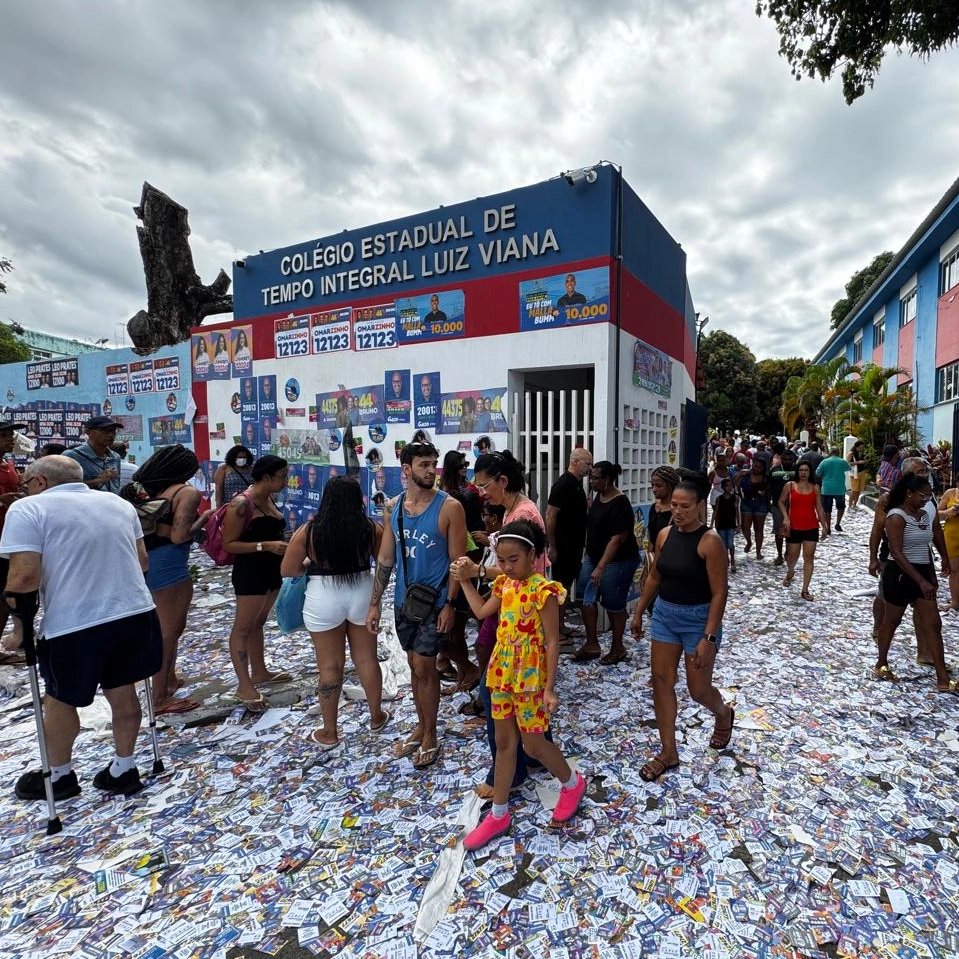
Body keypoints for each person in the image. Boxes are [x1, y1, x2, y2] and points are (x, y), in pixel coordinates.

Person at [2, 455, 162, 799]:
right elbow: (142, 561)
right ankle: (124, 767)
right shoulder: (117, 504)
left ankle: (58, 776)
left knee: (60, 699)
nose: (24, 490)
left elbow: (24, 577)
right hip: (134, 611)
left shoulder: (28, 509)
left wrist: (19, 631)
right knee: (123, 690)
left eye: (26, 483)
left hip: (74, 623)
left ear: (40, 482)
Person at [451, 519, 586, 849]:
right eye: (502, 561)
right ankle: (499, 813)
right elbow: (483, 612)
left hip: (530, 678)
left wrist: (550, 687)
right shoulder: (504, 586)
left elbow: (553, 641)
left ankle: (571, 783)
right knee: (504, 743)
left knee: (534, 744)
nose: (507, 567)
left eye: (514, 560)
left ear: (533, 555)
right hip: (501, 673)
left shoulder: (544, 591)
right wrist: (466, 581)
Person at [366, 441, 467, 770]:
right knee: (413, 666)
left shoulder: (450, 508)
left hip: (436, 602)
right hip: (405, 602)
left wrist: (451, 603)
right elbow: (385, 558)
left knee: (425, 666)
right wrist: (375, 603)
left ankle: (431, 734)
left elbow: (458, 561)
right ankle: (422, 725)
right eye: (424, 464)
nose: (431, 470)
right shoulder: (393, 507)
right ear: (406, 470)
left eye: (433, 464)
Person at [629, 481, 732, 781]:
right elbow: (655, 576)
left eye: (685, 506)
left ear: (700, 505)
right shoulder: (664, 535)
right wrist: (638, 612)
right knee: (661, 681)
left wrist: (708, 637)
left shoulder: (710, 542)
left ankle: (723, 713)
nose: (677, 511)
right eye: (674, 505)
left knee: (698, 690)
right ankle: (668, 751)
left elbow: (719, 593)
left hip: (698, 620)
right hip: (665, 616)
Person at [281, 477, 389, 748]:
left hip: (323, 596)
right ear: (359, 500)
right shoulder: (369, 528)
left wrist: (309, 563)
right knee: (366, 658)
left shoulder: (309, 531)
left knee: (329, 667)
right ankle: (376, 716)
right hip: (363, 593)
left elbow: (288, 570)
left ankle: (329, 731)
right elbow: (385, 562)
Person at [131, 445, 212, 715]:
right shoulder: (187, 493)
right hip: (171, 566)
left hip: (148, 561)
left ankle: (169, 680)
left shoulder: (149, 491)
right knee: (170, 632)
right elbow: (179, 535)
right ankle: (159, 698)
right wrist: (204, 519)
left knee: (164, 628)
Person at [875, 473, 957, 693]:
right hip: (900, 574)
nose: (925, 500)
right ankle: (881, 662)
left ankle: (942, 678)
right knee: (892, 622)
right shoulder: (896, 517)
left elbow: (929, 543)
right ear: (908, 494)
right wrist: (921, 580)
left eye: (929, 496)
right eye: (922, 496)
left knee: (933, 624)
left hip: (921, 571)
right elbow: (897, 553)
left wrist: (938, 567)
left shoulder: (923, 514)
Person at [222, 455, 290, 711]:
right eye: (282, 476)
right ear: (266, 477)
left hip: (272, 570)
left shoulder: (269, 499)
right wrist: (266, 545)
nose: (285, 481)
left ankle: (260, 671)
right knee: (243, 627)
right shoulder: (241, 504)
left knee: (258, 622)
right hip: (251, 570)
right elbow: (230, 543)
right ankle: (244, 684)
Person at [570, 461, 640, 665]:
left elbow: (617, 539)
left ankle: (618, 647)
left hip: (618, 561)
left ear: (606, 480)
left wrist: (601, 567)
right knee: (585, 597)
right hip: (593, 557)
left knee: (613, 602)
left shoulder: (620, 504)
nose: (590, 481)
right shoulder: (598, 497)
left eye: (595, 478)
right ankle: (592, 643)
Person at [436, 450, 483, 692]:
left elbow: (469, 547)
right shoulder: (444, 494)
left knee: (452, 631)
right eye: (462, 464)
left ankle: (468, 672)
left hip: (458, 575)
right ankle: (463, 673)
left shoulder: (466, 496)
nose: (466, 467)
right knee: (450, 633)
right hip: (445, 576)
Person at [545, 448, 592, 637]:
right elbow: (550, 515)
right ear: (575, 462)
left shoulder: (577, 485)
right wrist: (553, 546)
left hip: (574, 545)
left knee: (566, 585)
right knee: (560, 586)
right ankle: (556, 627)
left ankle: (560, 624)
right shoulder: (563, 485)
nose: (589, 468)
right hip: (563, 546)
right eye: (587, 464)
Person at [779, 461, 829, 601]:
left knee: (809, 558)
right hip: (793, 527)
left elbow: (819, 508)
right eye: (801, 470)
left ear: (810, 472)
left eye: (806, 470)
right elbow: (781, 502)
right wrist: (785, 517)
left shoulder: (815, 488)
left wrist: (824, 526)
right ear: (797, 471)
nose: (803, 473)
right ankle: (790, 572)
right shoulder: (789, 486)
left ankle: (805, 589)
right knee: (792, 556)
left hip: (811, 526)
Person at [0, 419, 26, 662]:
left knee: (10, 594)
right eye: (5, 435)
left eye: (11, 435)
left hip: (11, 539)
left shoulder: (9, 465)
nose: (10, 439)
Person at [64, 416, 123, 493]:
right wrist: (97, 481)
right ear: (88, 432)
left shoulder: (115, 457)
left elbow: (116, 486)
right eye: (104, 431)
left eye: (113, 431)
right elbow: (63, 488)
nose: (111, 435)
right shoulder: (71, 456)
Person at [737, 457, 771, 558]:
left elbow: (769, 491)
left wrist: (767, 500)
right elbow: (735, 483)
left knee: (759, 529)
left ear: (763, 468)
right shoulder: (746, 474)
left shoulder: (766, 478)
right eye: (755, 466)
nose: (756, 469)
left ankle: (758, 551)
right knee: (745, 526)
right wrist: (739, 474)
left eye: (759, 467)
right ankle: (749, 541)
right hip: (747, 501)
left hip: (761, 503)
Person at [768, 448, 797, 566]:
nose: (787, 461)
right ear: (781, 459)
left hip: (794, 505)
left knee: (792, 531)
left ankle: (788, 552)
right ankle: (779, 554)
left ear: (793, 460)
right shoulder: (774, 471)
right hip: (777, 505)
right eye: (785, 459)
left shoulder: (798, 471)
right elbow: (769, 487)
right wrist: (767, 502)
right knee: (778, 531)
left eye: (790, 459)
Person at [816, 446, 851, 532]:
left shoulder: (824, 461)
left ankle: (828, 527)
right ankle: (838, 523)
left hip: (827, 488)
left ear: (830, 453)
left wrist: (824, 476)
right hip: (839, 488)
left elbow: (817, 473)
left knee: (827, 509)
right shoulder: (842, 461)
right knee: (841, 507)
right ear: (838, 452)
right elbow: (849, 468)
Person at [938, 471, 959, 613]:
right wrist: (948, 512)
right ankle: (955, 601)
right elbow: (936, 513)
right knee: (955, 571)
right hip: (952, 535)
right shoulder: (950, 494)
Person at [713, 477, 739, 572]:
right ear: (723, 487)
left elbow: (736, 512)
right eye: (727, 486)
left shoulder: (735, 498)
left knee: (730, 543)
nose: (729, 488)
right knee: (723, 544)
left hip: (731, 524)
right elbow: (715, 512)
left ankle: (732, 561)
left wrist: (738, 525)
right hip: (721, 524)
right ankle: (725, 560)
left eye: (731, 486)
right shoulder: (719, 499)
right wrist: (712, 524)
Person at [707, 452, 733, 526]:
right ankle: (717, 527)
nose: (722, 462)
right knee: (717, 513)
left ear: (726, 461)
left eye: (723, 460)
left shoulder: (729, 471)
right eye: (720, 460)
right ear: (717, 461)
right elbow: (708, 485)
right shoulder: (713, 473)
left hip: (728, 494)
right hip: (716, 494)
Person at [847, 440, 869, 509]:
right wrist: (858, 462)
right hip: (855, 473)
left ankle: (855, 504)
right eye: (860, 447)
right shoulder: (851, 453)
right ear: (856, 447)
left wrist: (865, 461)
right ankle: (850, 505)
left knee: (859, 490)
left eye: (862, 448)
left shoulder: (861, 453)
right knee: (854, 490)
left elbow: (864, 461)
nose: (861, 449)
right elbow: (847, 463)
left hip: (862, 472)